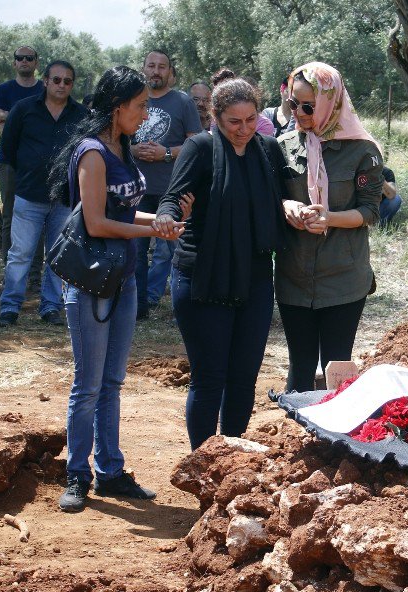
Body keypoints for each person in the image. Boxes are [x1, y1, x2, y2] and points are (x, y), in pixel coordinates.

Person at [48, 65, 188, 512]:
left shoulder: (122, 147)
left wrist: (163, 223)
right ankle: (76, 475)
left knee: (111, 381)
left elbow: (126, 215)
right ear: (117, 108)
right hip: (92, 284)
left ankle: (109, 472)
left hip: (122, 280)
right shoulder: (92, 154)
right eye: (140, 105)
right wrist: (153, 234)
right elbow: (97, 223)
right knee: (87, 385)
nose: (145, 113)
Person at [157, 76, 287, 450]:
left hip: (256, 277)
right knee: (209, 377)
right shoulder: (200, 148)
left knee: (244, 377)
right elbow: (173, 197)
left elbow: (284, 198)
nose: (244, 129)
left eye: (250, 120)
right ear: (215, 117)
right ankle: (203, 462)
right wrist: (167, 216)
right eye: (234, 121)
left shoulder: (268, 150)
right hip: (204, 275)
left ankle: (232, 456)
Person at [276, 62, 383, 392]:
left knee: (336, 364)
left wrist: (331, 218)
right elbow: (271, 199)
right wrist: (286, 206)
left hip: (344, 278)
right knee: (301, 364)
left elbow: (370, 211)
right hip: (295, 275)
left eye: (308, 106)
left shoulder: (362, 151)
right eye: (293, 103)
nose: (299, 113)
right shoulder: (283, 147)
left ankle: (338, 439)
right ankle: (298, 437)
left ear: (330, 102)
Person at [0, 61, 87, 327]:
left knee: (57, 255)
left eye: (67, 81)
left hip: (65, 199)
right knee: (21, 254)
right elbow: (8, 151)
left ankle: (50, 307)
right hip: (28, 195)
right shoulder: (23, 110)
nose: (61, 85)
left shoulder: (82, 115)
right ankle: (10, 307)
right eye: (56, 80)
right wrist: (16, 185)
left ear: (72, 85)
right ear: (45, 80)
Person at [129, 50, 203, 320]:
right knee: (135, 250)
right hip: (137, 189)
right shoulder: (133, 99)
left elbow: (196, 144)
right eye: (151, 66)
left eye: (162, 67)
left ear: (170, 71)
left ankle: (180, 309)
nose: (156, 71)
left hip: (172, 190)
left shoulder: (183, 102)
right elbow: (117, 139)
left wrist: (166, 153)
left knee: (174, 250)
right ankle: (137, 308)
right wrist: (133, 150)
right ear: (143, 68)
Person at [0, 46, 45, 263]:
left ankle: (34, 274)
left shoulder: (44, 88)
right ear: (14, 62)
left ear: (36, 62)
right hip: (9, 161)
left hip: (38, 163)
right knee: (10, 217)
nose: (24, 61)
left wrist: (10, 116)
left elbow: (43, 125)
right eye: (20, 58)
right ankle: (9, 268)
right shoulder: (4, 89)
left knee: (39, 216)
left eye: (29, 58)